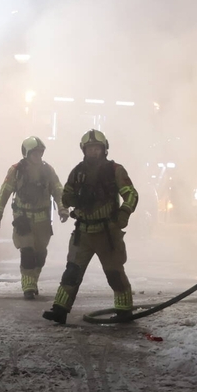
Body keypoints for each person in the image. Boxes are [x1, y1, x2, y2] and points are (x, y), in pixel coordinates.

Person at [42, 130, 138, 323]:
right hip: (83, 233)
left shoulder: (115, 170)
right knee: (72, 272)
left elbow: (131, 194)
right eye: (90, 149)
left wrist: (124, 213)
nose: (93, 152)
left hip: (107, 233)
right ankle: (60, 309)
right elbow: (66, 195)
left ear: (104, 149)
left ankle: (124, 310)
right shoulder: (77, 172)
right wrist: (76, 198)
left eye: (97, 148)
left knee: (115, 273)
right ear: (83, 150)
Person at [0, 136, 68, 299]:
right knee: (27, 252)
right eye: (34, 153)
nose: (38, 156)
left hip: (43, 220)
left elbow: (57, 189)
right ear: (26, 153)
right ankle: (28, 286)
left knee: (40, 254)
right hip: (23, 218)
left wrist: (63, 208)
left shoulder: (48, 170)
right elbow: (4, 192)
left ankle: (33, 279)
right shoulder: (16, 170)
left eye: (40, 153)